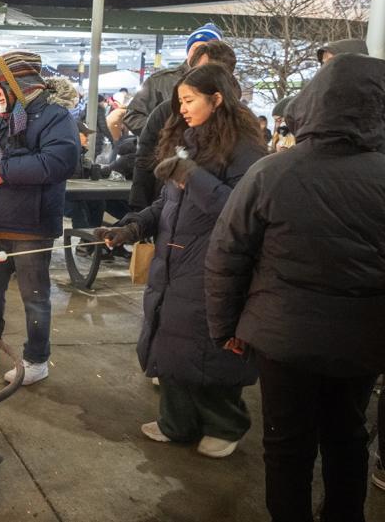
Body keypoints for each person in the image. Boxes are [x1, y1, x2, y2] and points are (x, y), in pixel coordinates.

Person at [205, 54, 385, 522]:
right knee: (347, 437)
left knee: (286, 446)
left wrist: (226, 325)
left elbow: (227, 255)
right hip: (363, 340)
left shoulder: (270, 172)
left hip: (282, 339)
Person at [96, 63, 267, 457]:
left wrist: (191, 174)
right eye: (181, 101)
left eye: (189, 100)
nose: (183, 108)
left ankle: (226, 425)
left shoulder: (247, 150)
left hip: (214, 266)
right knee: (171, 345)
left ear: (217, 98)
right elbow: (168, 202)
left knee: (210, 348)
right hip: (174, 260)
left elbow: (240, 212)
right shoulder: (189, 141)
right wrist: (134, 227)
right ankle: (178, 423)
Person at [0, 51, 79, 385]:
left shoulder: (55, 117)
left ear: (19, 85)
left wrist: (5, 172)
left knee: (35, 299)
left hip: (31, 227)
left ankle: (37, 360)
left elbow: (60, 162)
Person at [129, 40, 237, 210]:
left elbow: (238, 202)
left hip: (212, 223)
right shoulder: (168, 111)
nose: (184, 108)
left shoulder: (239, 123)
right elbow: (144, 162)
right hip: (166, 213)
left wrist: (191, 175)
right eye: (198, 70)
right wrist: (138, 216)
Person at [123, 22, 222, 136]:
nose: (199, 54)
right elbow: (133, 117)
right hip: (166, 151)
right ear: (188, 51)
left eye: (205, 49)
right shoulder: (159, 80)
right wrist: (166, 132)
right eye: (195, 48)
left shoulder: (222, 83)